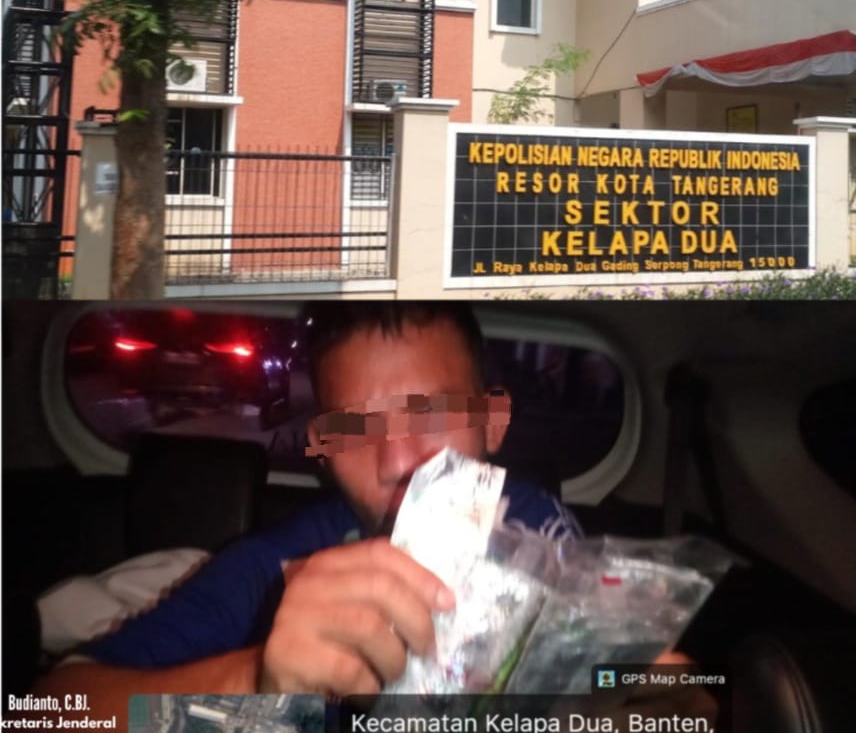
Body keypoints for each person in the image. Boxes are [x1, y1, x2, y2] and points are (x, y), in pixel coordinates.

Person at [34, 302, 581, 715]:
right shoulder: (276, 569)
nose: (396, 463)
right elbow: (45, 712)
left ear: (492, 421)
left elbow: (608, 681)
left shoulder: (539, 530)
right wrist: (254, 682)